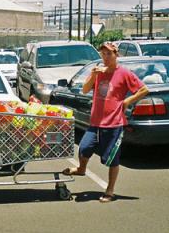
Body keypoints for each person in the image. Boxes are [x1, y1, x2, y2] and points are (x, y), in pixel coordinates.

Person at [62, 41, 149, 203]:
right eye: (103, 54)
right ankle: (81, 169)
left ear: (116, 55)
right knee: (84, 148)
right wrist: (94, 75)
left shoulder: (124, 73)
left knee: (111, 158)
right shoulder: (98, 71)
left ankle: (110, 190)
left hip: (114, 123)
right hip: (96, 121)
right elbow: (85, 90)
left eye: (109, 53)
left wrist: (128, 101)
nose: (106, 57)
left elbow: (144, 89)